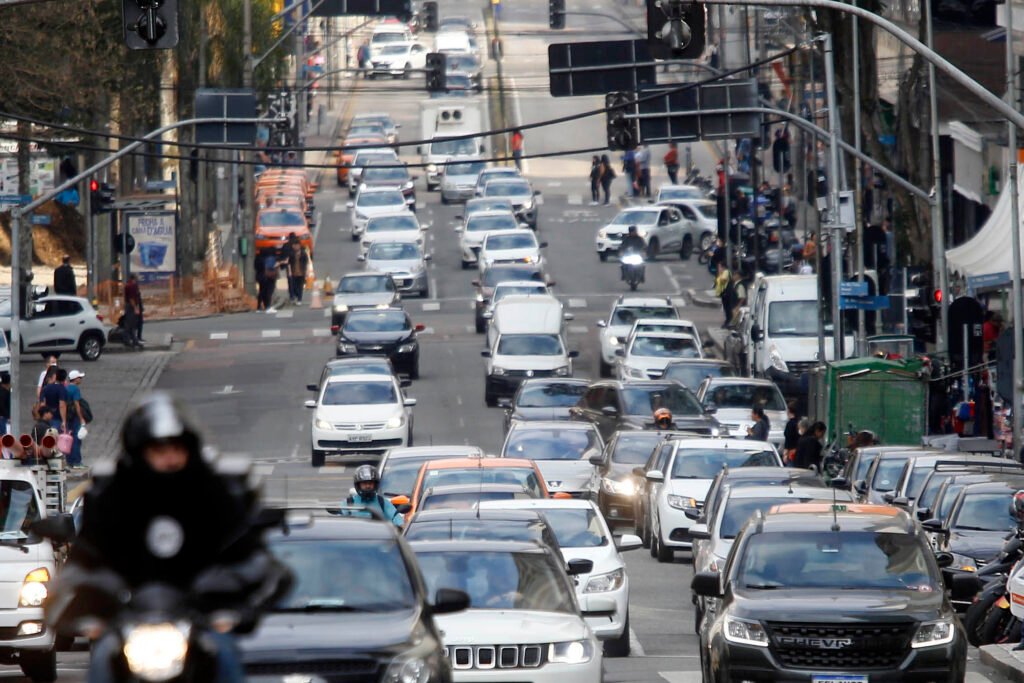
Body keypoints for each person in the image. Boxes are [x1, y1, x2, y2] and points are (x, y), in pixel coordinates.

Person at [49, 392, 291, 682]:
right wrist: (80, 596)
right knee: (102, 662)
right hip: (131, 622)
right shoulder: (113, 497)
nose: (170, 458)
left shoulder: (215, 493)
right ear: (139, 451)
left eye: (177, 448)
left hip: (199, 620)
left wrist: (231, 592)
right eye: (159, 450)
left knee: (225, 657)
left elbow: (249, 554)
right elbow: (86, 558)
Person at [64, 370, 88, 470]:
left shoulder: (66, 388)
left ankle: (69, 460)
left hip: (67, 417)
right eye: (79, 377)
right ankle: (77, 461)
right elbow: (77, 405)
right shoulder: (75, 390)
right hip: (74, 418)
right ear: (75, 379)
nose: (81, 379)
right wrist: (81, 418)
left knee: (68, 439)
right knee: (76, 439)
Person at [286, 235, 310, 306]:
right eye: (294, 245)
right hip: (294, 272)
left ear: (299, 246)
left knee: (300, 286)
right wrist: (289, 271)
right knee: (294, 285)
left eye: (297, 245)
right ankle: (296, 295)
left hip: (301, 272)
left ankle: (299, 299)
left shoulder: (303, 254)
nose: (295, 247)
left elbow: (306, 263)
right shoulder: (291, 254)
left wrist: (307, 272)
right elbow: (289, 263)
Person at [124, 274, 143, 348]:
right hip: (131, 306)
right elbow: (131, 298)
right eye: (136, 279)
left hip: (130, 305)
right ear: (134, 279)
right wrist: (135, 307)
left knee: (132, 324)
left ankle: (133, 340)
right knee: (130, 324)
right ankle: (128, 340)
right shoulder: (131, 286)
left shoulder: (129, 285)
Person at [714, 262, 733, 328]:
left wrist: (719, 273)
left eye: (719, 267)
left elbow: (723, 280)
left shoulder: (726, 272)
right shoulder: (723, 272)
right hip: (723, 293)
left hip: (726, 293)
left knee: (728, 308)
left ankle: (729, 321)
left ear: (723, 267)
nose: (718, 269)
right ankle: (728, 320)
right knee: (726, 308)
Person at [0, 372, 9, 437]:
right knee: (3, 436)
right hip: (2, 416)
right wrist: (7, 415)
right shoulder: (5, 392)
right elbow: (2, 405)